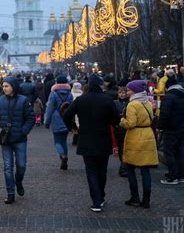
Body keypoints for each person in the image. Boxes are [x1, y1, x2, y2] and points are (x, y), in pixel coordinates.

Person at [63, 74, 120, 213]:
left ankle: (96, 200)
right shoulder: (107, 100)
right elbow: (116, 119)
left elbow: (66, 114)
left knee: (91, 171)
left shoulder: (81, 100)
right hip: (103, 138)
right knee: (102, 170)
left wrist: (73, 128)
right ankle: (101, 196)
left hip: (86, 138)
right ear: (100, 85)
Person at [0, 76, 35, 204]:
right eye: (3, 86)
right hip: (5, 139)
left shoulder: (23, 100)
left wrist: (23, 131)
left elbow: (31, 118)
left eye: (7, 86)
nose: (4, 88)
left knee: (21, 165)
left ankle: (18, 181)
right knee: (7, 167)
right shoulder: (0, 100)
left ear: (13, 86)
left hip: (20, 139)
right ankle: (10, 193)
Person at [119, 80, 158, 208]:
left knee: (130, 168)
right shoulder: (147, 102)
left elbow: (130, 123)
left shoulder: (132, 104)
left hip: (135, 136)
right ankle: (146, 200)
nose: (127, 92)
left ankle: (135, 197)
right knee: (145, 170)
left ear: (134, 90)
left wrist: (121, 120)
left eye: (129, 90)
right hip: (148, 134)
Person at [158, 77, 184, 185]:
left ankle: (172, 176)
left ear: (167, 86)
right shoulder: (181, 96)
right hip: (181, 127)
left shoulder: (169, 97)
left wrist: (160, 126)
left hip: (170, 129)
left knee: (169, 152)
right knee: (179, 152)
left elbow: (164, 114)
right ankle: (179, 175)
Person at [44, 75, 73, 170]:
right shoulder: (70, 94)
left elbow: (50, 109)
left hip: (56, 118)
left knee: (57, 141)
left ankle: (62, 155)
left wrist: (47, 122)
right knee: (64, 141)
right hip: (66, 118)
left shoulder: (53, 94)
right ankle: (65, 160)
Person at [114, 87, 129, 177]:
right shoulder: (115, 102)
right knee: (121, 147)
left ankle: (123, 167)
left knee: (125, 147)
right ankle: (123, 164)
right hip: (118, 128)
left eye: (123, 92)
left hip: (127, 127)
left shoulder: (130, 102)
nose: (122, 94)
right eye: (120, 92)